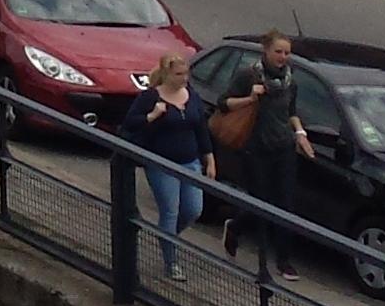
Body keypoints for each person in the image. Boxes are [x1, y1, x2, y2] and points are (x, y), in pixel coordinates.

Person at [216, 31, 312, 271]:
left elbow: (290, 112)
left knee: (286, 204)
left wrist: (300, 134)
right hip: (256, 148)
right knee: (261, 202)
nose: (282, 57)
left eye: (286, 53)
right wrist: (250, 98)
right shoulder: (248, 75)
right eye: (278, 52)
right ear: (266, 51)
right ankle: (235, 228)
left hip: (283, 148)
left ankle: (283, 261)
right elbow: (224, 103)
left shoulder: (291, 81)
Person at [115, 52, 212, 280]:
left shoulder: (191, 96)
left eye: (186, 74)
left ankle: (166, 237)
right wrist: (152, 116)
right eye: (178, 74)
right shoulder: (150, 97)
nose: (184, 79)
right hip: (161, 162)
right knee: (170, 210)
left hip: (190, 161)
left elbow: (200, 127)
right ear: (167, 74)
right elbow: (130, 122)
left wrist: (208, 156)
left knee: (193, 209)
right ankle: (171, 262)